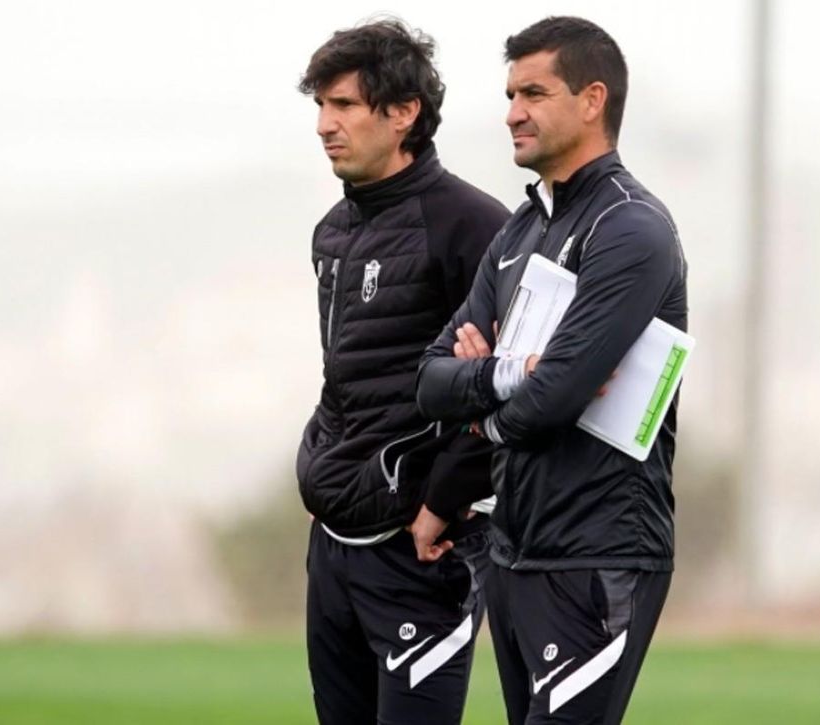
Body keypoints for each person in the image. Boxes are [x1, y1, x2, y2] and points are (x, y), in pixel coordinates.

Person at [416, 16, 688, 724]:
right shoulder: (520, 228)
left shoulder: (631, 228)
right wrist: (509, 378)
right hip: (515, 553)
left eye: (533, 93)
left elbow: (554, 399)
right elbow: (431, 378)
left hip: (597, 557)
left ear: (593, 100)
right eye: (511, 95)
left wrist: (484, 406)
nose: (513, 113)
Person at [293, 19, 509, 725]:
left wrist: (442, 500)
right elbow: (347, 378)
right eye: (320, 105)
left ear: (404, 112)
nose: (325, 124)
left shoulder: (473, 226)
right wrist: (321, 467)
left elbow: (507, 388)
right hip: (334, 545)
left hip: (422, 548)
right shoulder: (333, 230)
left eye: (344, 105)